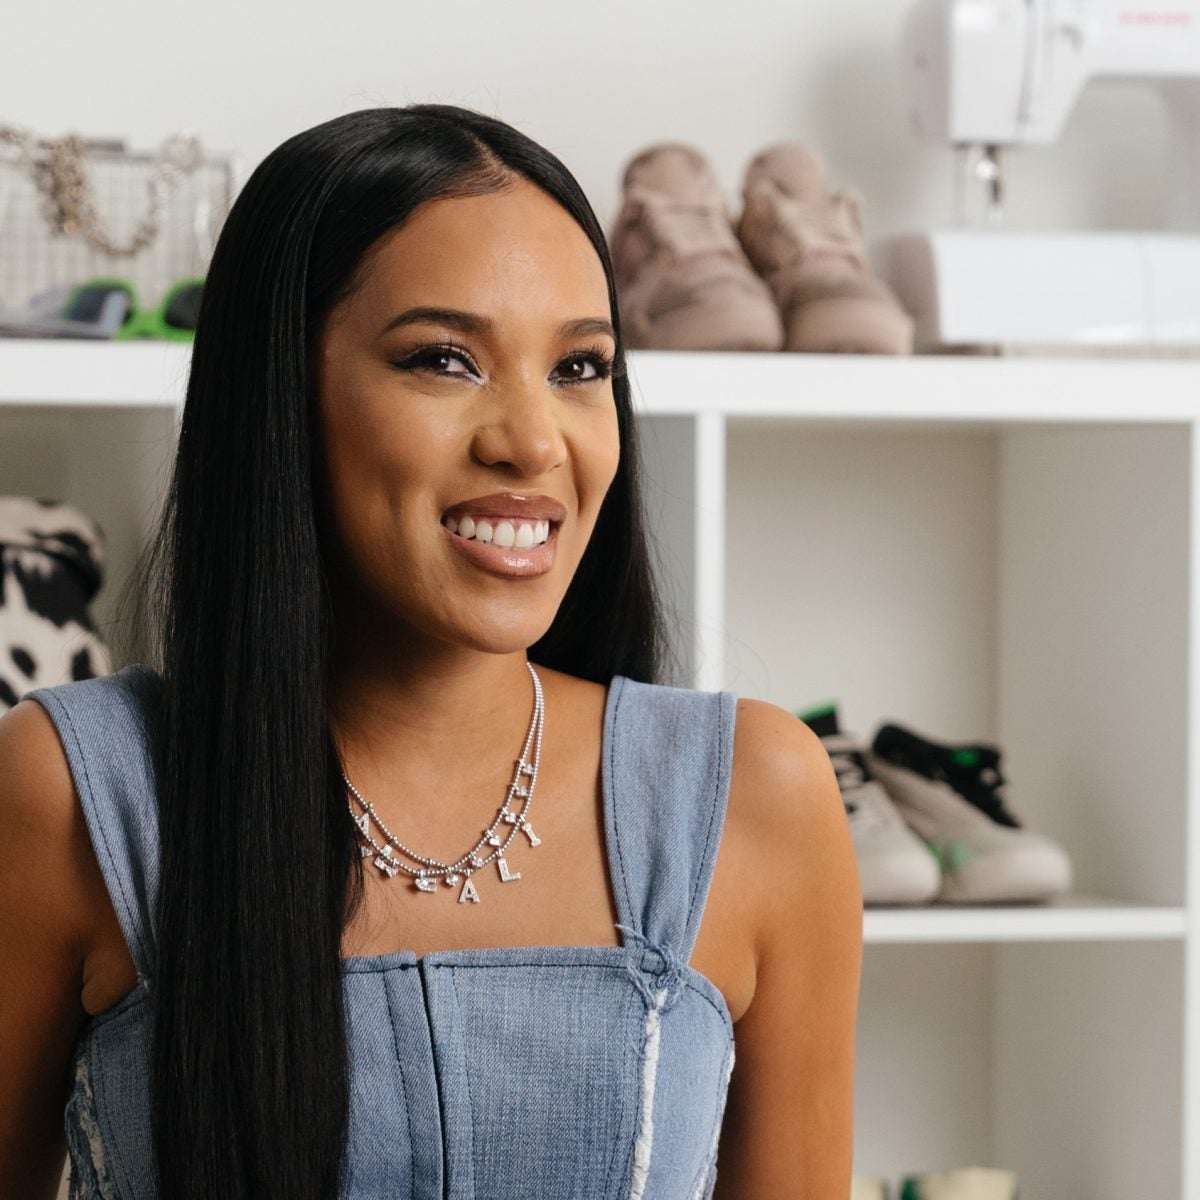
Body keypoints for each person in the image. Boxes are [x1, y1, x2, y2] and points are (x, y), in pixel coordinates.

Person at [0, 104, 862, 1200]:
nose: (533, 442)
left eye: (580, 367)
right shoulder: (71, 794)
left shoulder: (757, 795)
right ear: (281, 396)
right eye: (444, 360)